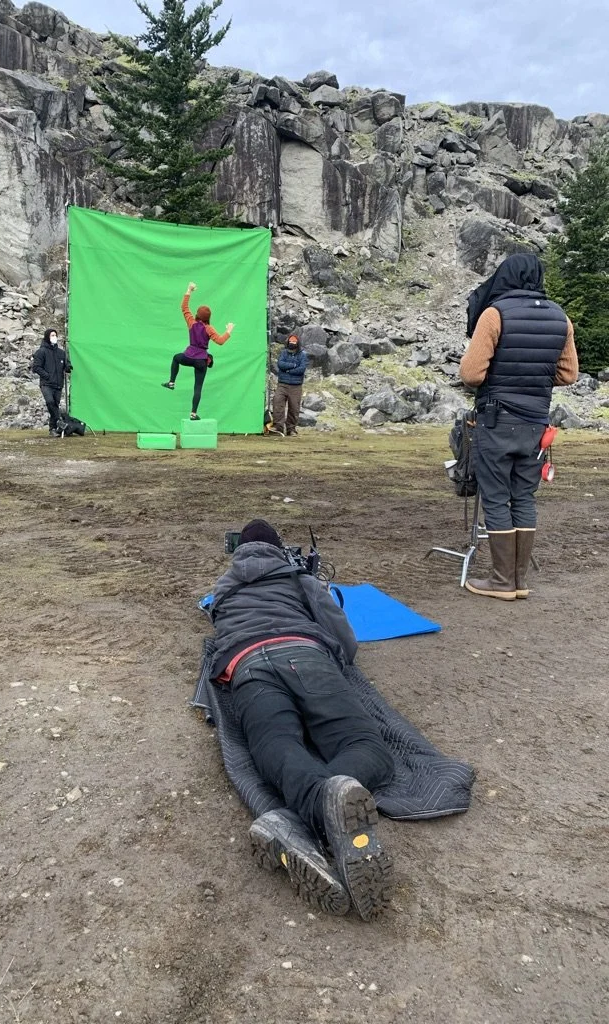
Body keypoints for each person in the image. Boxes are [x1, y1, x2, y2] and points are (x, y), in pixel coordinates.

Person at [209, 519, 395, 920]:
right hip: (304, 654)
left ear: (238, 552)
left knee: (276, 745)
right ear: (279, 549)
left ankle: (297, 819)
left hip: (246, 665)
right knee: (368, 748)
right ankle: (319, 807)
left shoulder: (222, 589)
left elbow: (218, 627)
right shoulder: (299, 578)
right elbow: (343, 636)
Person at [460, 253, 579, 600]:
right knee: (523, 496)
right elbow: (569, 374)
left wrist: (504, 377)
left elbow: (471, 374)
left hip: (497, 421)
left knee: (496, 497)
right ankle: (519, 581)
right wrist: (532, 379)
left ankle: (501, 581)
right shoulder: (561, 318)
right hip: (536, 424)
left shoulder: (494, 314)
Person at [162, 283, 234, 420]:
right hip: (201, 360)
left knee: (176, 358)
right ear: (208, 317)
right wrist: (229, 330)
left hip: (188, 356)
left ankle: (171, 382)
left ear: (197, 315)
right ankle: (193, 414)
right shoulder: (209, 328)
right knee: (198, 387)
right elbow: (220, 341)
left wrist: (189, 290)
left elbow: (184, 307)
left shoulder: (192, 323)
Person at [32, 328, 71, 437]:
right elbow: (36, 367)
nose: (54, 337)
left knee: (55, 405)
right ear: (47, 337)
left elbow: (66, 364)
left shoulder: (61, 353)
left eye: (55, 335)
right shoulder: (41, 352)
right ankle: (59, 421)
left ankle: (53, 429)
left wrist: (68, 367)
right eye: (52, 335)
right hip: (47, 384)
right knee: (50, 402)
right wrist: (47, 376)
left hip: (58, 384)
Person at [270, 334, 308, 436]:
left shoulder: (303, 355)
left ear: (298, 343)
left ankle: (291, 429)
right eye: (291, 342)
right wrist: (294, 365)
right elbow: (280, 364)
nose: (292, 343)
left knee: (294, 407)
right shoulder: (284, 353)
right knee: (277, 402)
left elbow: (301, 369)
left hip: (296, 386)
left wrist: (288, 370)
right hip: (282, 384)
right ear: (288, 342)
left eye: (294, 342)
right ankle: (278, 427)